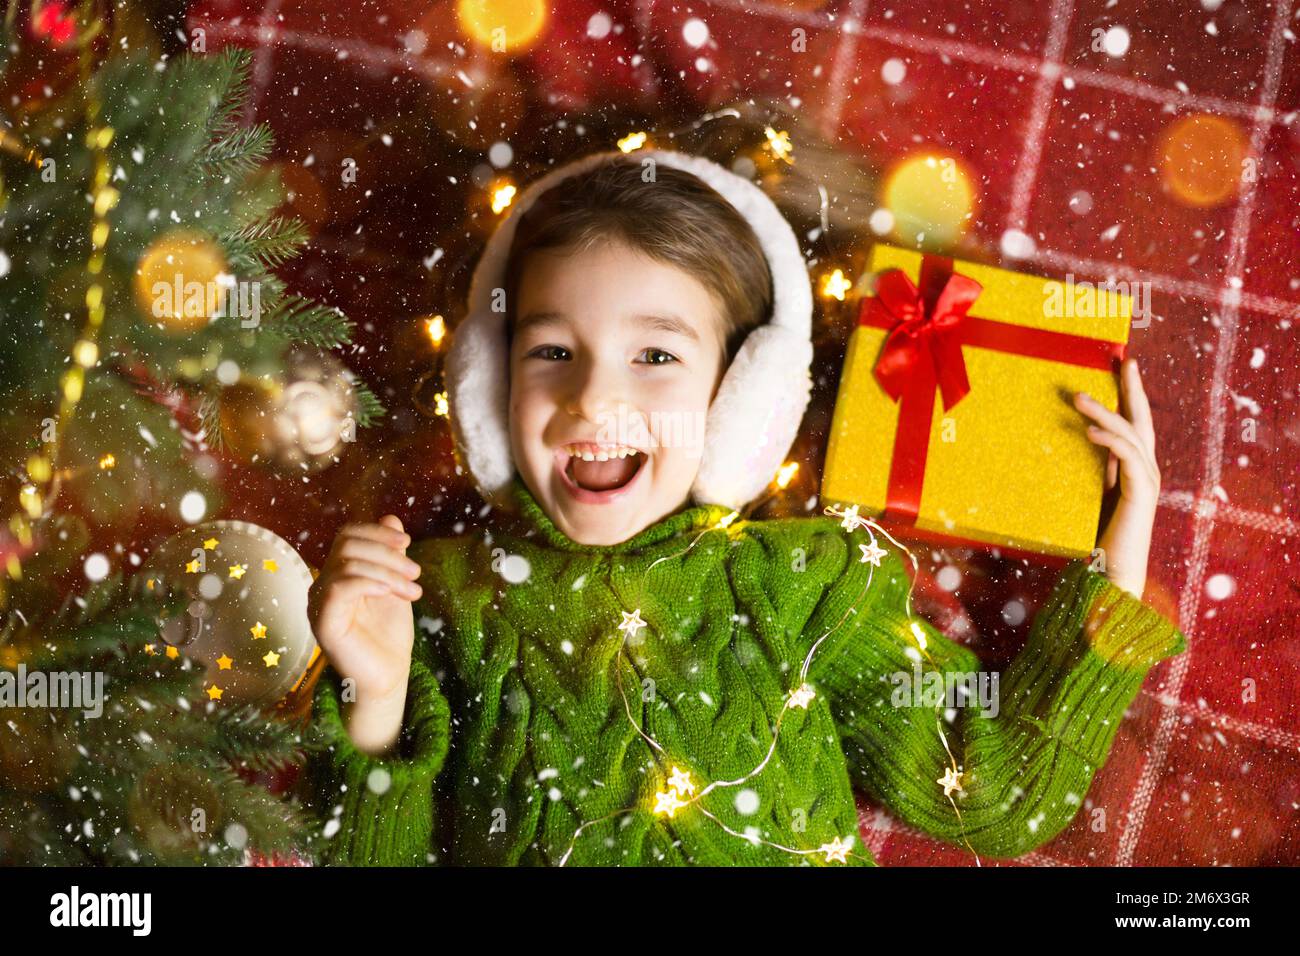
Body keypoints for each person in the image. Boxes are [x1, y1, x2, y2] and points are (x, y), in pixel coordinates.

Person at [303, 150, 1182, 866]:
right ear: (491, 388)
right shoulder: (436, 603)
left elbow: (995, 796)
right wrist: (376, 699)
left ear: (741, 401)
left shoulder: (805, 584)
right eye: (553, 351)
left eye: (655, 355)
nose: (593, 402)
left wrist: (1123, 545)